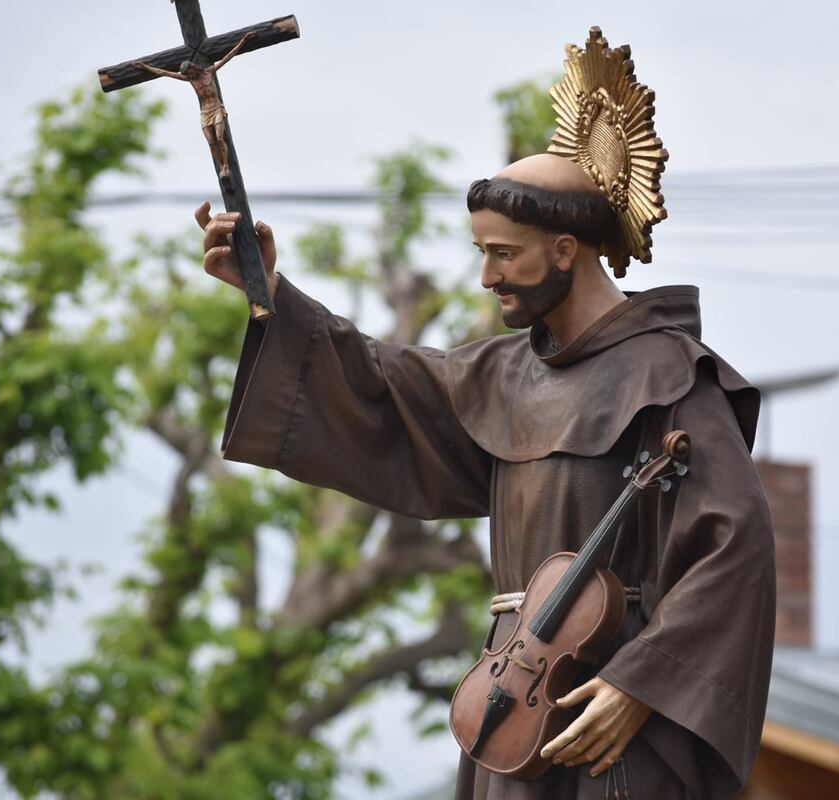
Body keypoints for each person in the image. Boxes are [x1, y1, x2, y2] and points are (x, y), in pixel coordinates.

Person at [199, 31, 776, 800]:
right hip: (509, 704)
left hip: (605, 716)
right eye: (482, 252)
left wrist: (643, 683)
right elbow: (377, 385)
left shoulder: (668, 376)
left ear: (566, 249)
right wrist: (272, 294)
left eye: (504, 254)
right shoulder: (500, 376)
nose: (485, 276)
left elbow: (736, 550)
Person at [133, 31, 253, 178]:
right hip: (205, 112)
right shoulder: (191, 80)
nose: (188, 76)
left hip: (216, 109)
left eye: (189, 73)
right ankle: (221, 166)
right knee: (210, 142)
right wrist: (145, 67)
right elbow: (164, 73)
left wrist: (244, 40)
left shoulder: (209, 72)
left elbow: (228, 56)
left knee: (220, 138)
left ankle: (226, 165)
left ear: (193, 68)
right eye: (186, 75)